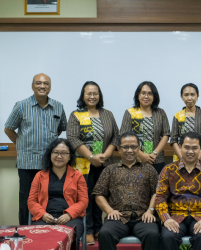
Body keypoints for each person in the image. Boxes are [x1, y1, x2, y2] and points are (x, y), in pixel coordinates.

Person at [4, 73, 67, 225]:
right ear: (32, 86)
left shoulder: (58, 106)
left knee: (49, 197)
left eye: (46, 84)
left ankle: (45, 230)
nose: (42, 86)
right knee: (26, 198)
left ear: (50, 87)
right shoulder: (21, 105)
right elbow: (8, 129)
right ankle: (25, 229)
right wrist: (21, 143)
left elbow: (60, 129)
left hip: (50, 164)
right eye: (38, 83)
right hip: (27, 163)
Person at [67, 81, 119, 244]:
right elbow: (73, 138)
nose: (92, 96)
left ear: (99, 95)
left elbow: (116, 136)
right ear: (83, 96)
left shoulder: (108, 114)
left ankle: (98, 228)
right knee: (86, 197)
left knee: (101, 195)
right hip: (83, 165)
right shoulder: (76, 115)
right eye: (88, 93)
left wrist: (107, 154)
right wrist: (91, 157)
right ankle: (88, 229)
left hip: (106, 163)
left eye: (95, 93)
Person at [93, 132, 160, 250]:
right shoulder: (110, 170)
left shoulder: (149, 169)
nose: (130, 150)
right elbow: (99, 194)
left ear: (139, 148)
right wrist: (110, 211)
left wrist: (150, 211)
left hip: (143, 217)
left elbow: (157, 192)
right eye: (125, 147)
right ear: (119, 149)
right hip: (118, 217)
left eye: (133, 147)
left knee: (152, 234)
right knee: (105, 233)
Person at [155, 132, 201, 250]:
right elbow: (160, 197)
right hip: (175, 217)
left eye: (195, 148)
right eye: (187, 147)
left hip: (200, 217)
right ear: (179, 147)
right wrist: (166, 219)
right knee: (168, 237)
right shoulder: (168, 169)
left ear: (200, 149)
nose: (190, 151)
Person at [27, 138, 88, 249]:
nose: (59, 156)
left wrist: (69, 214)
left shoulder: (78, 175)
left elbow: (83, 201)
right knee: (41, 239)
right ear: (50, 154)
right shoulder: (39, 176)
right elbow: (31, 201)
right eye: (56, 152)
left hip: (70, 218)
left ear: (70, 156)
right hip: (44, 218)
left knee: (69, 238)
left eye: (64, 153)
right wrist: (42, 215)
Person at [120, 81, 170, 174]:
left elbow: (166, 134)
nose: (146, 96)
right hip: (135, 160)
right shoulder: (130, 113)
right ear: (138, 95)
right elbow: (124, 137)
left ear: (154, 96)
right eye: (143, 93)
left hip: (157, 160)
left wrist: (154, 153)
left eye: (150, 94)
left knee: (157, 187)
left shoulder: (160, 113)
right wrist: (141, 155)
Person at [170, 83, 201, 164]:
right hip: (180, 158)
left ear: (197, 96)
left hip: (200, 158)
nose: (189, 98)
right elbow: (173, 140)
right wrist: (182, 158)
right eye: (186, 95)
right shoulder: (177, 116)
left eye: (192, 94)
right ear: (182, 97)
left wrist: (198, 158)